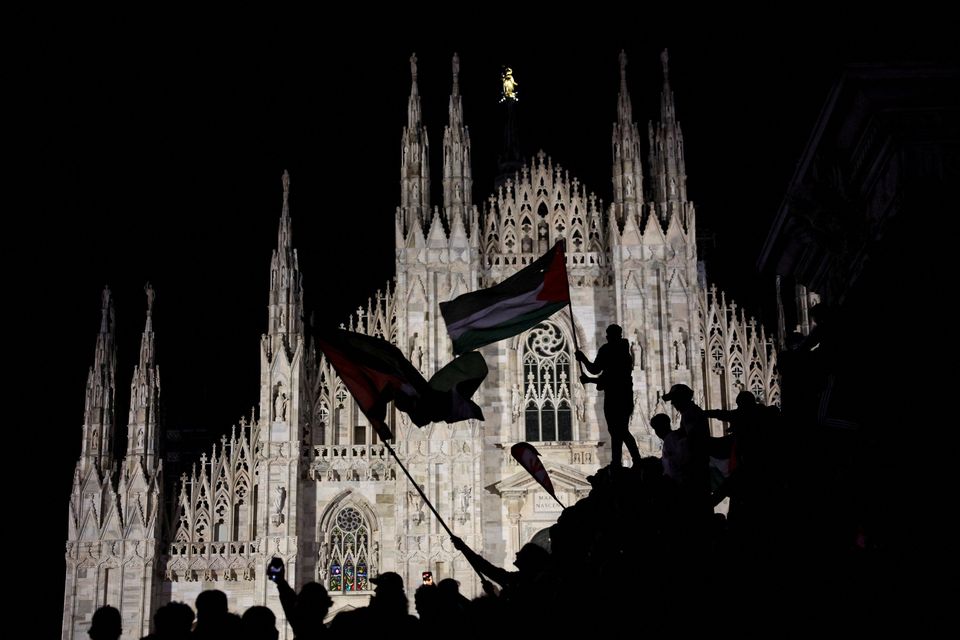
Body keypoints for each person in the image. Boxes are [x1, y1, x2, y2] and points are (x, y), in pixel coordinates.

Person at [575, 324, 640, 467]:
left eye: (609, 334)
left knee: (619, 430)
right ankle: (618, 461)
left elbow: (598, 371)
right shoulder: (625, 352)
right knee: (617, 430)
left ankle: (633, 459)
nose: (607, 337)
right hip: (623, 396)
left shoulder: (609, 350)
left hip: (616, 396)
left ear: (613, 335)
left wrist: (583, 359)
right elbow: (609, 376)